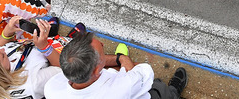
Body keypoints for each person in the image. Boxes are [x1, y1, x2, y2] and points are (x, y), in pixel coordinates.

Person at [43, 31, 188, 99]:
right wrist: (123, 59)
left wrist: (117, 62)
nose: (102, 43)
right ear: (96, 70)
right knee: (159, 88)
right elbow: (144, 72)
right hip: (141, 90)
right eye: (102, 51)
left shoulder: (52, 89)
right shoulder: (124, 86)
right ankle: (174, 93)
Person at [0, 18, 71, 99]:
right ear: (0, 74)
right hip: (66, 56)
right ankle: (72, 38)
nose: (3, 50)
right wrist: (45, 47)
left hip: (41, 45)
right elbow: (65, 68)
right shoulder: (33, 83)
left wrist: (7, 33)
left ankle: (56, 35)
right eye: (3, 56)